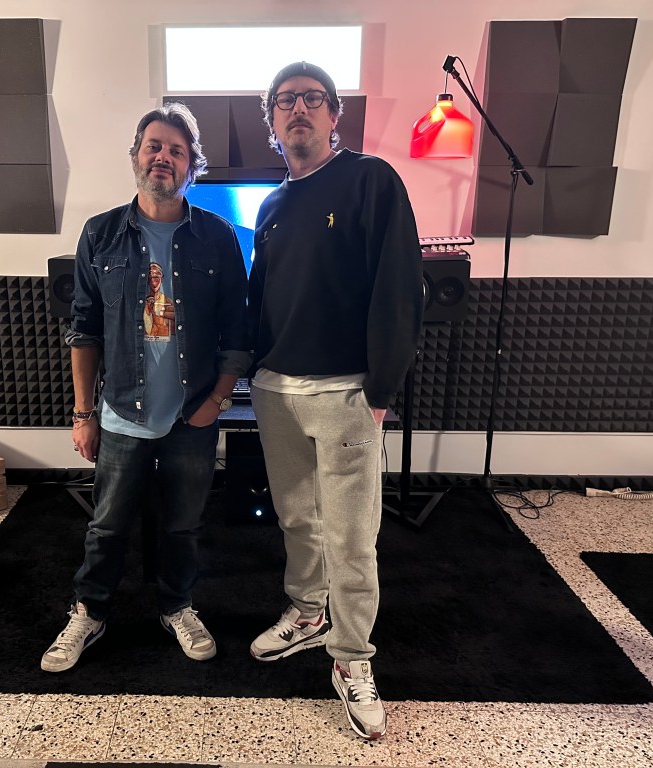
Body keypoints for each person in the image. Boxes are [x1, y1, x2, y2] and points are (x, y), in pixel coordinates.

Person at [246, 62, 423, 740]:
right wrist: (253, 370)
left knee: (352, 538)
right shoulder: (271, 206)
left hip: (345, 391)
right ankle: (308, 612)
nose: (299, 109)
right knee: (298, 519)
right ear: (271, 119)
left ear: (334, 113)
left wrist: (380, 388)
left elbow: (400, 286)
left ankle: (351, 657)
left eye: (312, 99)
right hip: (277, 390)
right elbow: (263, 296)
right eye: (285, 100)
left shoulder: (371, 180)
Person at [41, 103, 249, 673]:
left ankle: (177, 606)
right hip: (120, 413)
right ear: (136, 155)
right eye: (154, 146)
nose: (164, 157)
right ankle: (90, 611)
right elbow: (84, 330)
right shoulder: (100, 234)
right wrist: (83, 413)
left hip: (191, 413)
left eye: (177, 150)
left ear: (192, 166)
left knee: (183, 525)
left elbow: (238, 332)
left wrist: (216, 402)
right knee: (107, 525)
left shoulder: (217, 237)